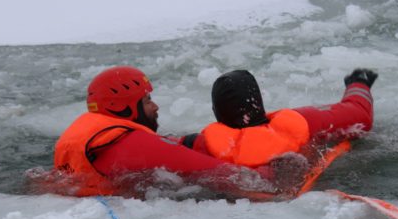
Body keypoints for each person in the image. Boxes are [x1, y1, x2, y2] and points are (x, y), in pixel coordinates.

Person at [51, 66, 285, 197]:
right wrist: (277, 167)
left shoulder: (93, 134)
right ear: (122, 107)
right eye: (147, 100)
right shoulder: (133, 145)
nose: (155, 106)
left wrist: (194, 142)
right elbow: (235, 178)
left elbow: (163, 147)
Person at [181, 68, 377, 192]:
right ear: (259, 103)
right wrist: (358, 82)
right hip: (313, 186)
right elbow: (360, 115)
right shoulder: (303, 123)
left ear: (217, 113)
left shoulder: (201, 145)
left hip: (247, 199)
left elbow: (161, 147)